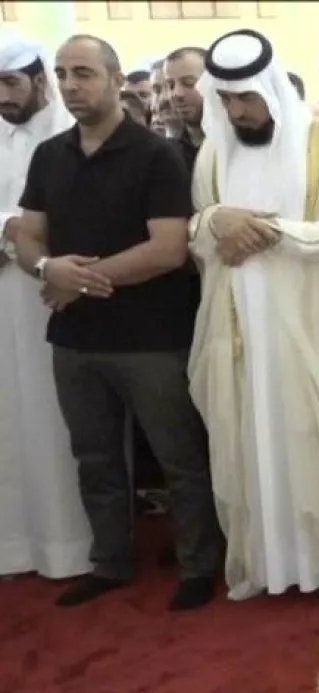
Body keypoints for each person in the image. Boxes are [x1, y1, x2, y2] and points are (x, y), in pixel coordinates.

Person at [14, 34, 222, 610]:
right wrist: (45, 265)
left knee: (179, 457)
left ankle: (198, 565)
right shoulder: (50, 154)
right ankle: (110, 561)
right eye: (62, 73)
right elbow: (27, 232)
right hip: (75, 338)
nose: (71, 84)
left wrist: (77, 278)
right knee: (95, 456)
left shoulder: (157, 154)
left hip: (152, 338)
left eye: (83, 72)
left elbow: (168, 249)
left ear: (114, 78)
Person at [188, 29, 319, 606]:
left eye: (246, 98)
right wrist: (219, 221)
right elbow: (197, 231)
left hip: (313, 335)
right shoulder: (214, 150)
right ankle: (266, 564)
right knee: (251, 444)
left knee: (310, 441)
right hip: (241, 336)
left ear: (271, 91)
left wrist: (270, 232)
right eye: (227, 100)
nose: (238, 112)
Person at [0, 30, 92, 581]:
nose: (4, 97)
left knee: (57, 423)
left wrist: (18, 235)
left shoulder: (70, 137)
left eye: (12, 83)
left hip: (56, 298)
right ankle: (13, 543)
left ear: (39, 80)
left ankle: (70, 546)